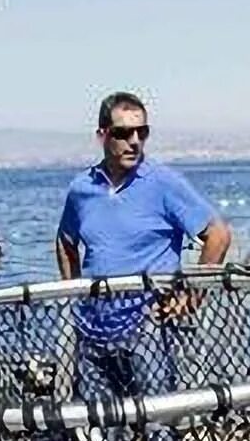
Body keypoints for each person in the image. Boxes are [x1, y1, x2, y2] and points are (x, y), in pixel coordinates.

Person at [55, 91, 231, 392]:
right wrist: (76, 293)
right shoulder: (81, 188)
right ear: (103, 135)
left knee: (157, 424)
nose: (134, 141)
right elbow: (65, 240)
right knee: (99, 426)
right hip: (93, 329)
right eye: (123, 133)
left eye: (142, 132)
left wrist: (192, 298)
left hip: (148, 328)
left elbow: (217, 235)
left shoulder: (162, 182)